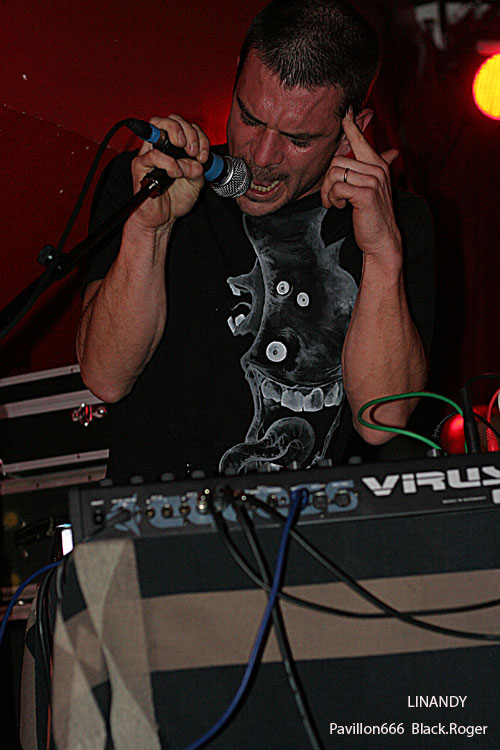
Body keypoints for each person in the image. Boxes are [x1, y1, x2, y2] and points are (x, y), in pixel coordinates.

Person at [77, 0, 434, 482]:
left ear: (354, 131)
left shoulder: (396, 220)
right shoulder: (150, 181)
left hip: (310, 522)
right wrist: (150, 230)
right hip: (156, 517)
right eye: (249, 118)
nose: (263, 156)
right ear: (236, 78)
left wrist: (382, 254)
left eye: (298, 139)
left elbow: (382, 419)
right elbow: (105, 378)